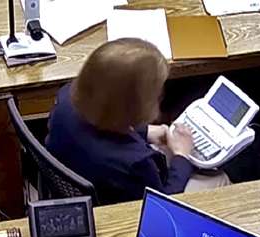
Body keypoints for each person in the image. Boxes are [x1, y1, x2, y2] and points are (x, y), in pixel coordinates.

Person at [45, 38, 228, 204]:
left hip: (85, 175)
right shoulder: (138, 164)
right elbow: (161, 205)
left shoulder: (65, 98)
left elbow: (103, 119)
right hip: (124, 211)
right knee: (219, 178)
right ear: (136, 107)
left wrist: (147, 132)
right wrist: (182, 156)